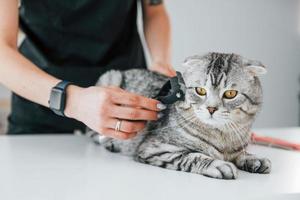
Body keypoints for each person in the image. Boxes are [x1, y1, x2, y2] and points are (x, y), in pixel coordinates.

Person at [0, 0, 176, 139]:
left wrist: (160, 61)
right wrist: (74, 101)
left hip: (124, 98)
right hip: (41, 99)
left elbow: (155, 10)